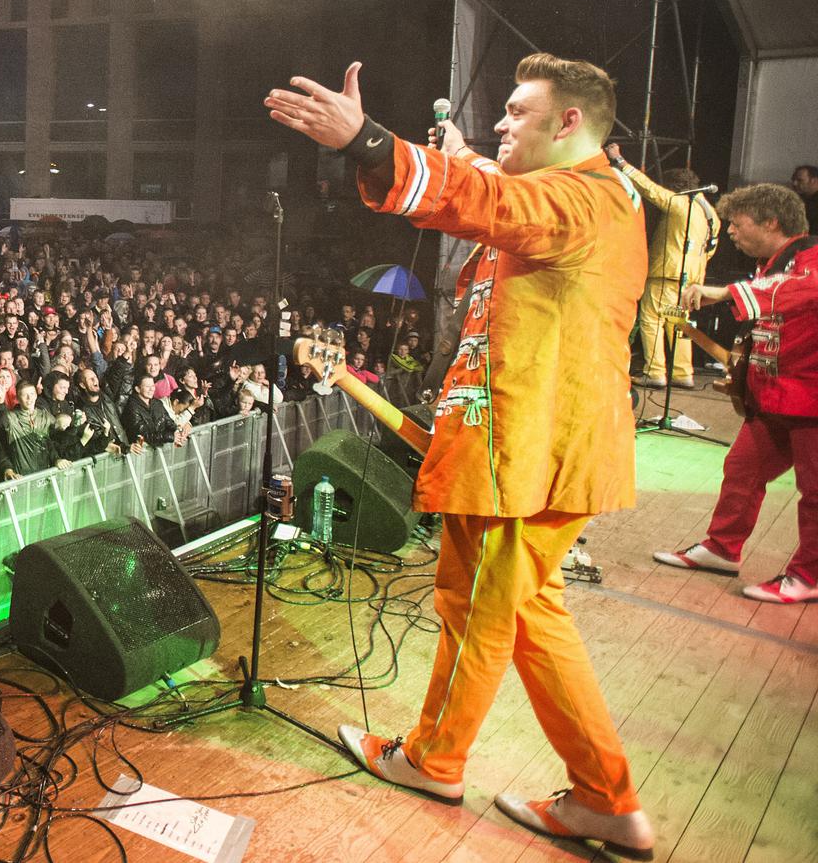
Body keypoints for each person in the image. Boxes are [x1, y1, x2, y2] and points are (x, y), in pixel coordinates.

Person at [267, 53, 654, 855]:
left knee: (475, 609)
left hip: (526, 454)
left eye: (518, 111)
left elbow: (496, 199)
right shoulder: (592, 197)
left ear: (570, 122)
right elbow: (497, 191)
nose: (503, 123)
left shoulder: (582, 200)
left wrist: (369, 143)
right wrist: (468, 156)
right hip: (542, 449)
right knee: (529, 614)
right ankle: (605, 798)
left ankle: (433, 758)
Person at [657, 184, 817, 603]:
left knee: (816, 492)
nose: (728, 230)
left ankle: (810, 576)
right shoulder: (773, 265)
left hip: (812, 398)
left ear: (772, 222)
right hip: (776, 397)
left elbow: (803, 290)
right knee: (742, 471)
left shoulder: (812, 256)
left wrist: (726, 291)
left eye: (737, 222)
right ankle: (721, 548)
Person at [606, 146, 721, 389]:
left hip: (666, 275)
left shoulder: (681, 206)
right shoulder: (711, 216)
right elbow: (710, 249)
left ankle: (655, 371)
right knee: (679, 325)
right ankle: (682, 373)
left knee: (651, 321)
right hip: (689, 280)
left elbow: (649, 189)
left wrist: (620, 162)